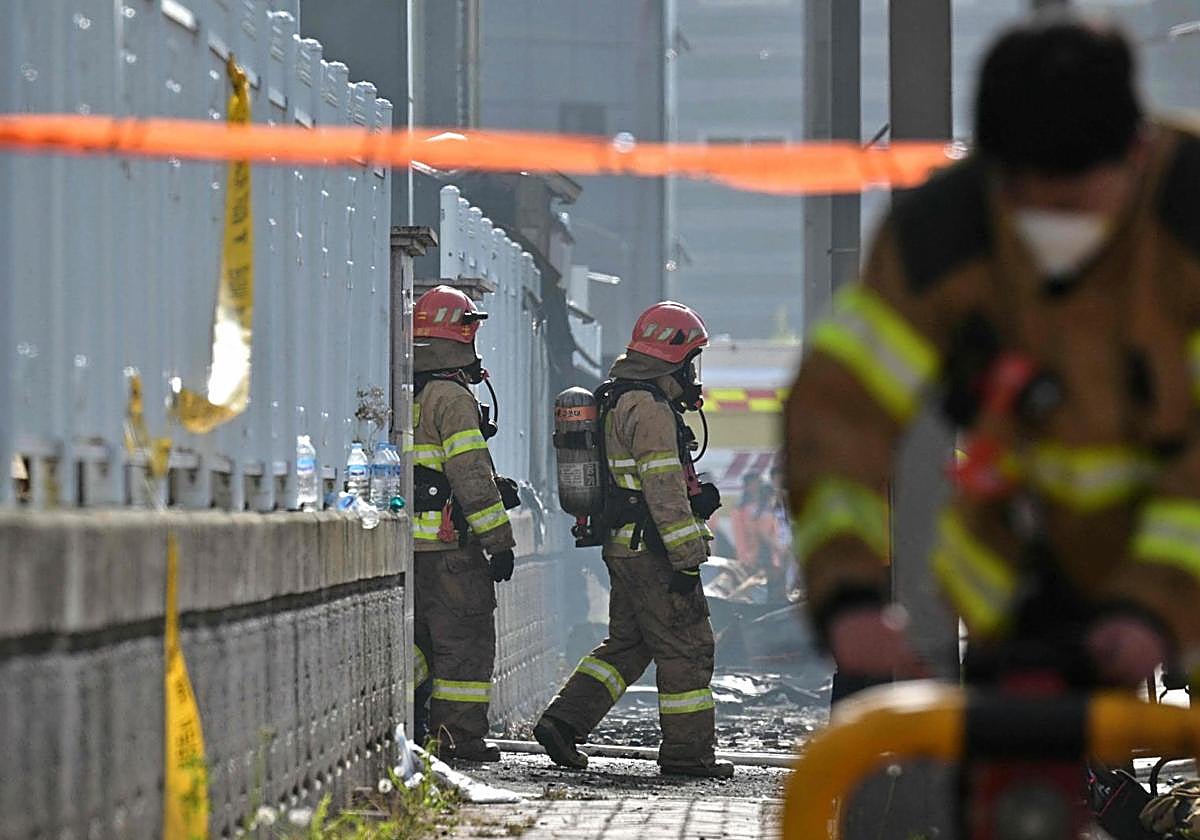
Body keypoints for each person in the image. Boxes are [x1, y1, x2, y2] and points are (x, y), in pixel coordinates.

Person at [784, 16, 1200, 695]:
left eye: (1078, 204)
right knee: (1013, 790)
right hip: (1019, 587)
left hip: (1186, 564)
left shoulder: (1189, 213)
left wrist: (1155, 605)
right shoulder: (942, 235)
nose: (1054, 228)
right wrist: (849, 594)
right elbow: (839, 411)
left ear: (1137, 154)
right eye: (1031, 203)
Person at [533, 301, 733, 778]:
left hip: (625, 546)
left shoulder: (617, 398)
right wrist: (686, 556)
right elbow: (660, 488)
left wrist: (696, 499)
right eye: (691, 360)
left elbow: (643, 485)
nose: (693, 373)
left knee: (628, 644)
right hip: (655, 553)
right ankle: (689, 755)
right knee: (688, 647)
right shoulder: (650, 409)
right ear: (672, 358)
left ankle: (563, 722)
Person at [410, 285, 518, 762]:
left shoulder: (403, 390)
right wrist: (499, 542)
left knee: (421, 644)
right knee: (464, 645)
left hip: (410, 550)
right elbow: (469, 474)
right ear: (461, 336)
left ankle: (415, 728)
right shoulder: (452, 398)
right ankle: (458, 738)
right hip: (452, 551)